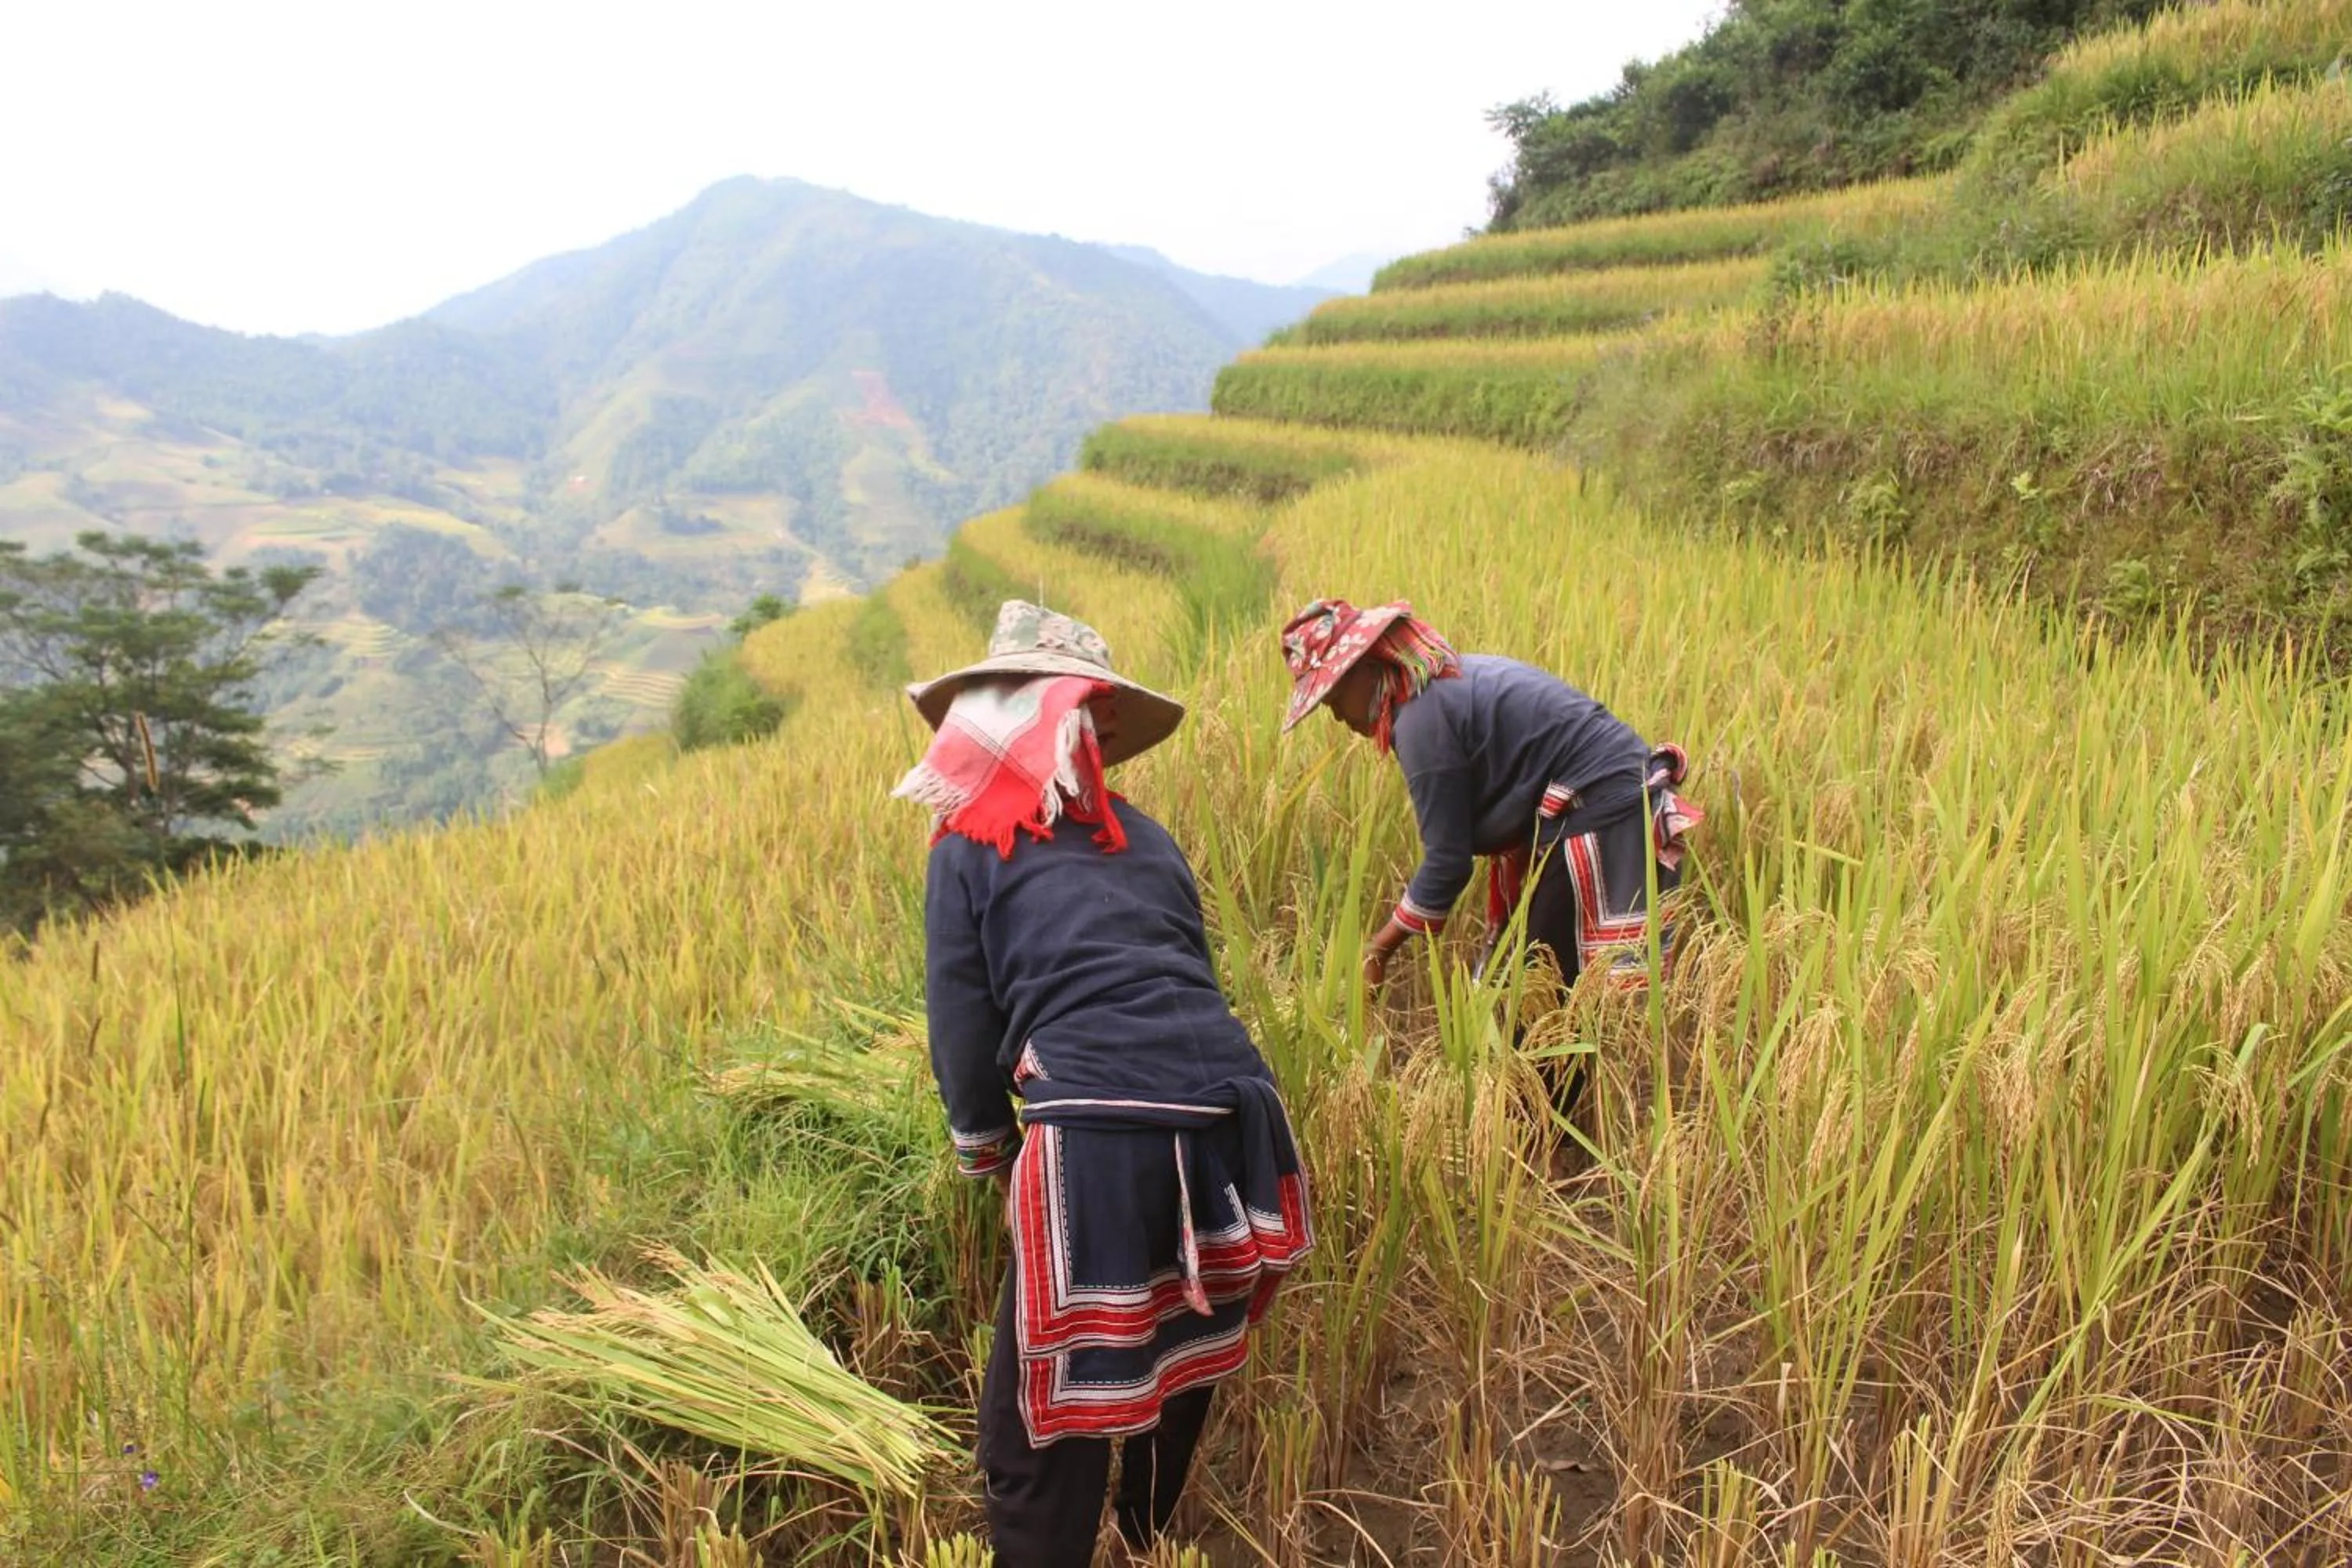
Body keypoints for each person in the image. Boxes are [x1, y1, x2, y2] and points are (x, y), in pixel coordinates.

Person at [894, 601, 1313, 1566]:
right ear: (1097, 724)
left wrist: (987, 1151)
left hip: (1103, 1122)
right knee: (1183, 1329)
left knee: (1036, 1430)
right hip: (1237, 1109)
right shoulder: (1150, 837)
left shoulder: (966, 837)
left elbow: (963, 1024)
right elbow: (1184, 975)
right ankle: (1146, 1528)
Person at [1276, 597, 1700, 1112]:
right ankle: (1545, 1117)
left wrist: (1379, 949)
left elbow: (1447, 863)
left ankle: (1540, 1130)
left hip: (1599, 805)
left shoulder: (1420, 722)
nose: (1338, 718)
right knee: (1539, 976)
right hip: (1596, 799)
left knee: (1542, 985)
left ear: (1367, 668)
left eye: (1333, 699)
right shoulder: (1436, 695)